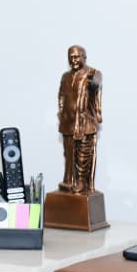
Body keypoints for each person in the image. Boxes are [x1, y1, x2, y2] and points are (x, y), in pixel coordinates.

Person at [57, 44, 103, 194]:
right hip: (67, 122)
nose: (73, 60)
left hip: (84, 123)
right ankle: (69, 180)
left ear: (84, 57)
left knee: (82, 156)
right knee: (68, 155)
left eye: (76, 57)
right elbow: (61, 96)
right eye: (70, 57)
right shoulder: (65, 76)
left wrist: (93, 81)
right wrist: (61, 112)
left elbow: (96, 84)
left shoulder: (92, 73)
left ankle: (81, 181)